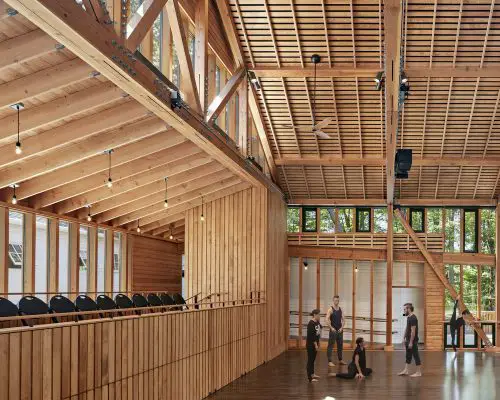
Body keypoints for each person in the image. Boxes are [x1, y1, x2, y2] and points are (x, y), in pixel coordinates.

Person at [398, 303, 422, 377]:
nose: (404, 310)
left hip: (413, 341)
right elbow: (407, 328)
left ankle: (418, 372)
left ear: (409, 309)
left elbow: (413, 331)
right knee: (408, 355)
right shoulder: (408, 317)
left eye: (405, 309)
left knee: (416, 355)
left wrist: (411, 342)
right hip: (408, 340)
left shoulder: (413, 318)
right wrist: (404, 337)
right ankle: (406, 370)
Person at [326, 295, 346, 367]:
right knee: (330, 345)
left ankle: (340, 359)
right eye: (335, 300)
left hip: (340, 330)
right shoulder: (330, 309)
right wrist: (331, 328)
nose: (336, 302)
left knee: (340, 345)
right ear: (333, 301)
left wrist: (342, 328)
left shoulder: (341, 309)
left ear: (339, 301)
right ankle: (329, 361)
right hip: (333, 330)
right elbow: (327, 319)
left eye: (337, 300)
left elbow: (344, 320)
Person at [306, 309, 322, 382]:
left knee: (313, 360)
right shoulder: (310, 324)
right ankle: (310, 378)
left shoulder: (317, 322)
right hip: (310, 345)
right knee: (310, 360)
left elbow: (320, 330)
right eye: (318, 315)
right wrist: (316, 345)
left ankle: (312, 374)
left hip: (316, 344)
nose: (319, 316)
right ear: (315, 315)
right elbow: (311, 336)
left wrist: (319, 343)